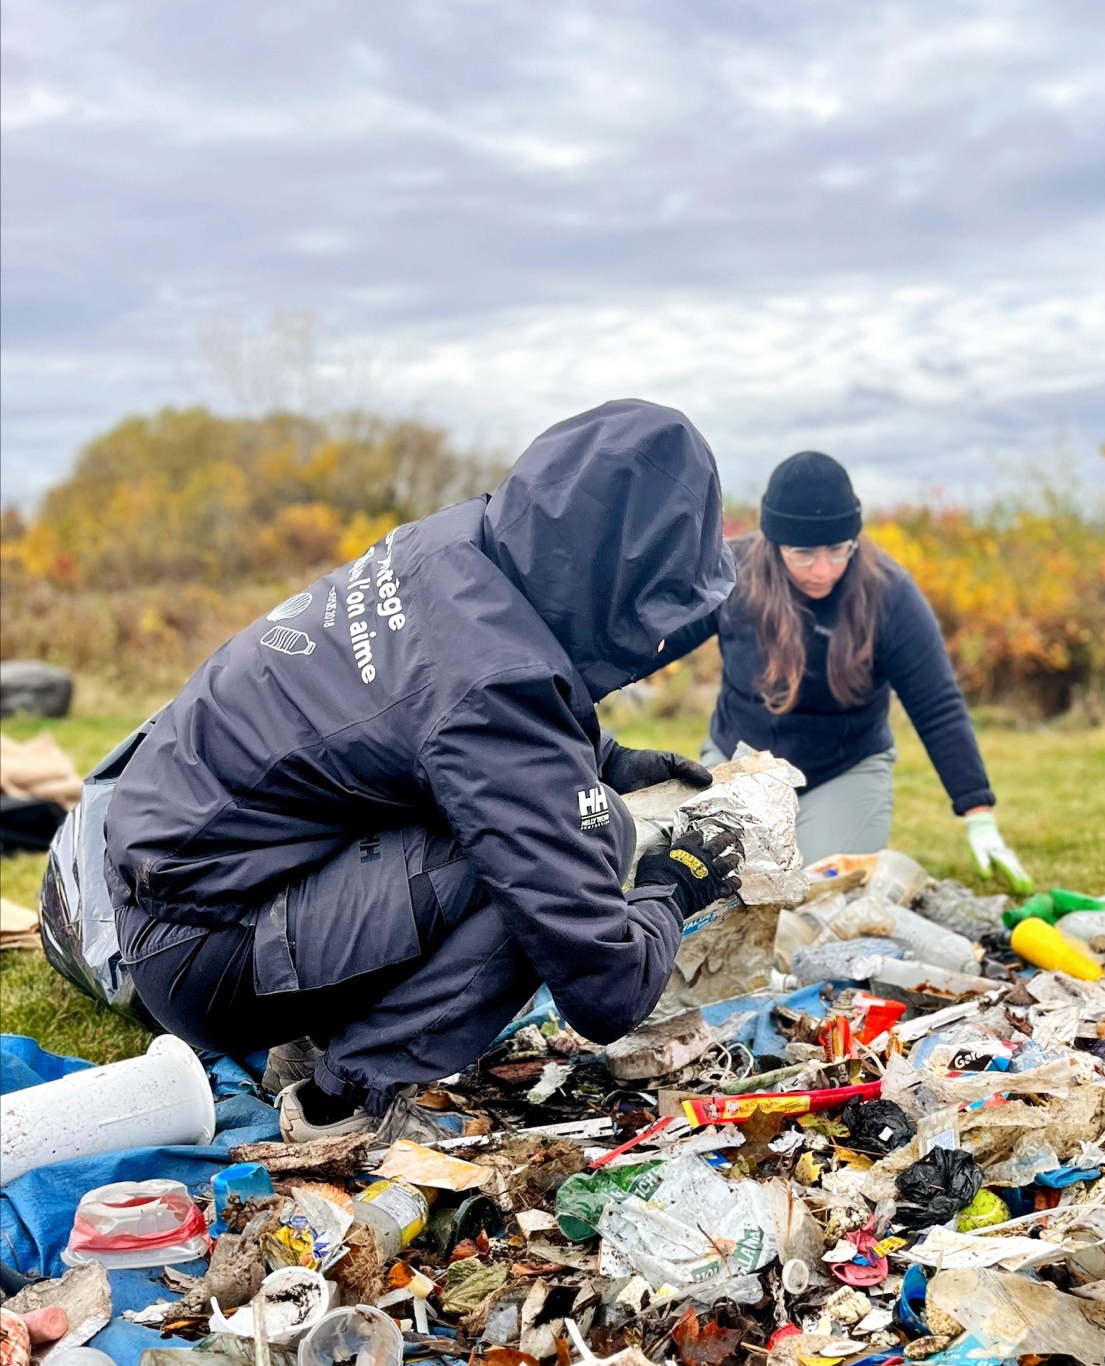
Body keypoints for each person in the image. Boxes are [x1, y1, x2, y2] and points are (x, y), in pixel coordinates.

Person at [100, 400, 742, 1144]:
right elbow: (606, 989)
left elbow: (415, 712)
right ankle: (345, 1100)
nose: (659, 639)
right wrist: (672, 888)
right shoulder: (491, 687)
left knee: (568, 816)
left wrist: (603, 759)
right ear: (619, 582)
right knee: (568, 853)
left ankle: (309, 1041)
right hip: (206, 949)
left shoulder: (456, 546)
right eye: (658, 606)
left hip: (190, 889)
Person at [662, 450, 1033, 886]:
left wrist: (978, 816)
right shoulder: (732, 573)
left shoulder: (889, 593)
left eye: (838, 551)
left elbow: (937, 705)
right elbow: (660, 640)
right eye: (804, 554)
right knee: (727, 885)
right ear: (774, 545)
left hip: (842, 770)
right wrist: (594, 684)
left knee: (820, 890)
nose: (823, 570)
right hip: (743, 761)